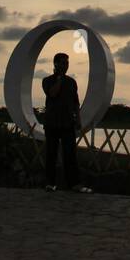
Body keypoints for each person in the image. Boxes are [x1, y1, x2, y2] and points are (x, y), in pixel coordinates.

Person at [41, 53, 90, 193]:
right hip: (52, 123)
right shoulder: (47, 80)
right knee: (51, 153)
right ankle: (50, 183)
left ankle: (74, 184)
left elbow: (75, 102)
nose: (65, 65)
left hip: (68, 123)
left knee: (70, 154)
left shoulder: (72, 82)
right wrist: (59, 78)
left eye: (67, 63)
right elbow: (53, 93)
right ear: (55, 64)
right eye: (63, 63)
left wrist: (79, 119)